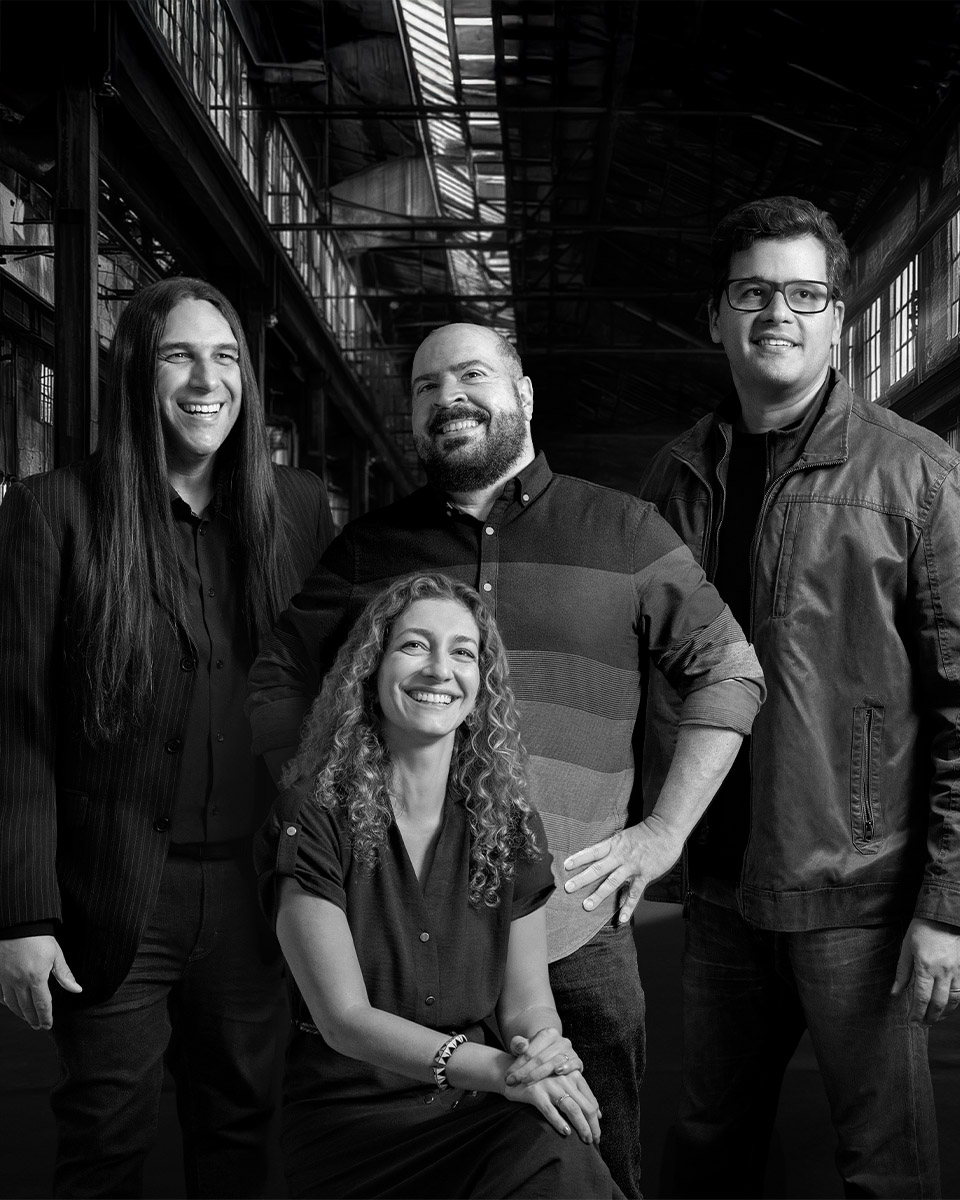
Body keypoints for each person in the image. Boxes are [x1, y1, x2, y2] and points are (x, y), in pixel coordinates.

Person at [246, 320, 766, 1196]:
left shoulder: (625, 532)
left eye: (471, 375)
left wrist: (663, 832)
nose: (448, 397)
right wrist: (334, 805)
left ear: (523, 393)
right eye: (426, 385)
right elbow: (277, 676)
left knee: (588, 1168)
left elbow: (730, 670)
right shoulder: (370, 550)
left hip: (571, 934)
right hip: (401, 946)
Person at [639, 195, 960, 1198]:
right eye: (752, 293)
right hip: (719, 884)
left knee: (882, 1161)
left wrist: (948, 906)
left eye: (803, 294)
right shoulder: (678, 474)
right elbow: (643, 673)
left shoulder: (914, 474)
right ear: (717, 316)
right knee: (708, 1143)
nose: (777, 313)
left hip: (858, 890)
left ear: (837, 316)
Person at [0, 277, 334, 1197]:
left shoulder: (297, 510)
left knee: (242, 1133)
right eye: (178, 357)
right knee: (105, 1141)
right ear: (135, 374)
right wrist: (22, 916)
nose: (206, 380)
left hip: (255, 893)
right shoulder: (53, 512)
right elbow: (18, 728)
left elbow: (333, 690)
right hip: (117, 892)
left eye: (224, 358)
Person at [257, 570, 622, 1198]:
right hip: (355, 1126)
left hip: (475, 1108)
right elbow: (343, 1020)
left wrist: (543, 1052)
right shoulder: (311, 816)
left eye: (462, 652)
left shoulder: (510, 825)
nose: (438, 670)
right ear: (371, 671)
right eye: (413, 645)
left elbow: (527, 1003)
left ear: (482, 685)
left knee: (560, 1151)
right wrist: (501, 1070)